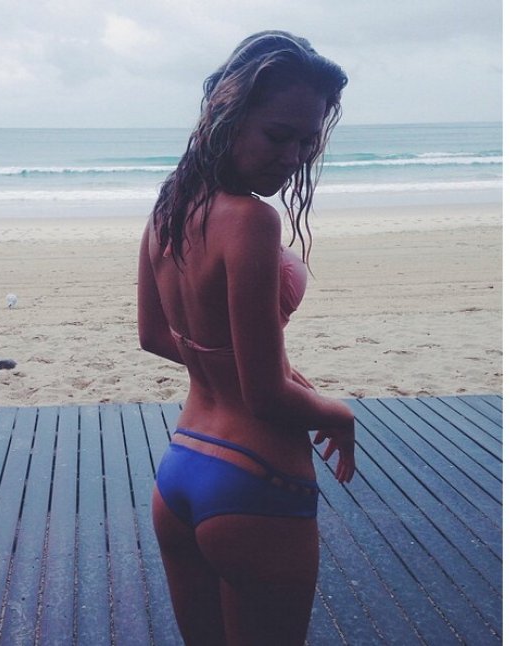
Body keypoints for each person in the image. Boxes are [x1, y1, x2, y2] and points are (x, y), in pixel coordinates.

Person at [137, 31, 354, 645]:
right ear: (227, 115)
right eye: (278, 135)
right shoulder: (252, 219)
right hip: (256, 478)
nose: (293, 156)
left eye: (307, 141)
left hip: (182, 469)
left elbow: (155, 335)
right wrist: (336, 413)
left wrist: (243, 366)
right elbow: (264, 397)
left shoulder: (171, 205)